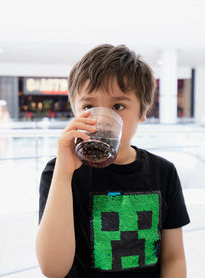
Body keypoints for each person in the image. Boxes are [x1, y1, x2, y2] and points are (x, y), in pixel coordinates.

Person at [36, 44, 190, 278]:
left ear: (142, 111)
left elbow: (174, 257)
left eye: (118, 106)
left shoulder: (163, 172)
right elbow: (53, 269)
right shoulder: (59, 172)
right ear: (74, 111)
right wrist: (64, 173)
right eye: (88, 107)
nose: (102, 120)